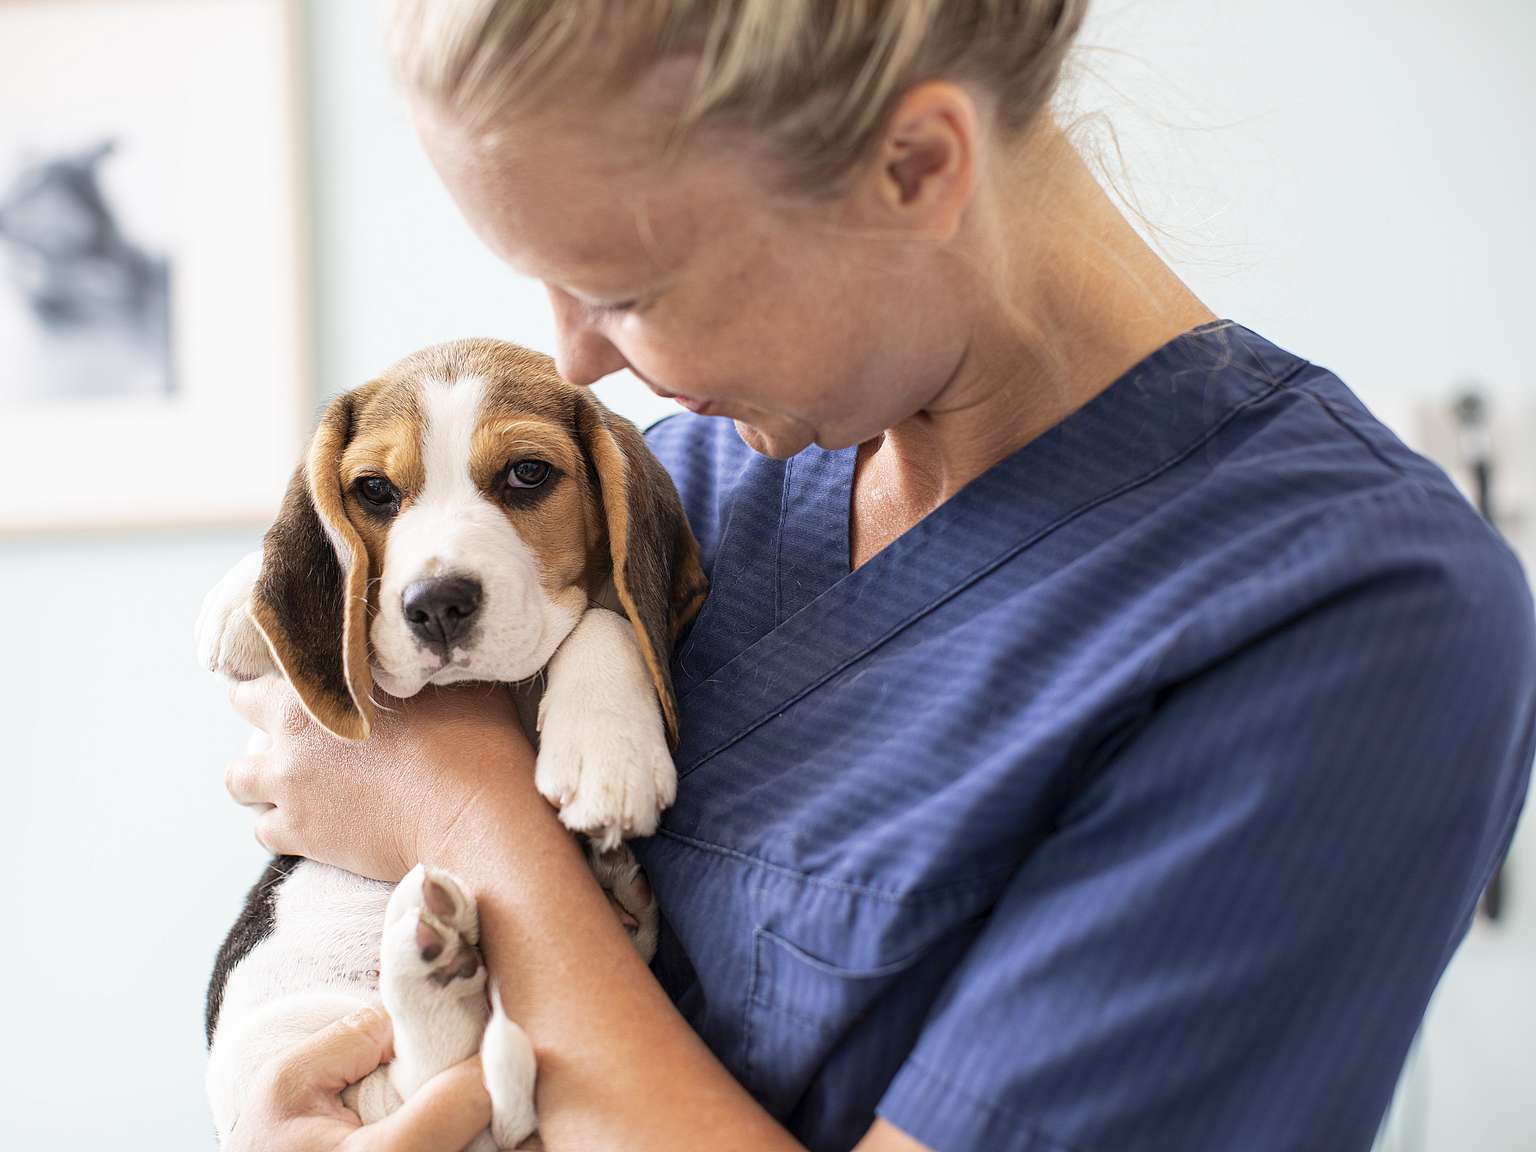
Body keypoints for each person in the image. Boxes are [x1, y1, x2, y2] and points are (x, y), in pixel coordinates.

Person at [221, 3, 1536, 1150]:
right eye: (548, 284)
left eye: (625, 287)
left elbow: (428, 798)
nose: (578, 364)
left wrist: (465, 820)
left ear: (913, 165)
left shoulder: (1353, 614)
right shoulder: (677, 499)